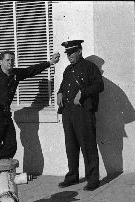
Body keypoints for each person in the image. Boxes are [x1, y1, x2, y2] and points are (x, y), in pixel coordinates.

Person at [0, 51, 60, 181]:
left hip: (6, 116)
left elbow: (31, 70)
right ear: (1, 61)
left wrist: (50, 63)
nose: (10, 62)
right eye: (7, 60)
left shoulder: (15, 74)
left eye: (12, 60)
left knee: (11, 145)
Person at [57, 40, 104, 191]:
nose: (69, 56)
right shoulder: (67, 69)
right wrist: (59, 93)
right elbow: (63, 86)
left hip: (83, 112)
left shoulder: (90, 67)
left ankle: (93, 180)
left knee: (88, 146)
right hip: (68, 112)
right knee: (71, 145)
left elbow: (99, 85)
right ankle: (72, 176)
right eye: (67, 53)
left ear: (79, 51)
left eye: (72, 53)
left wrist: (83, 93)